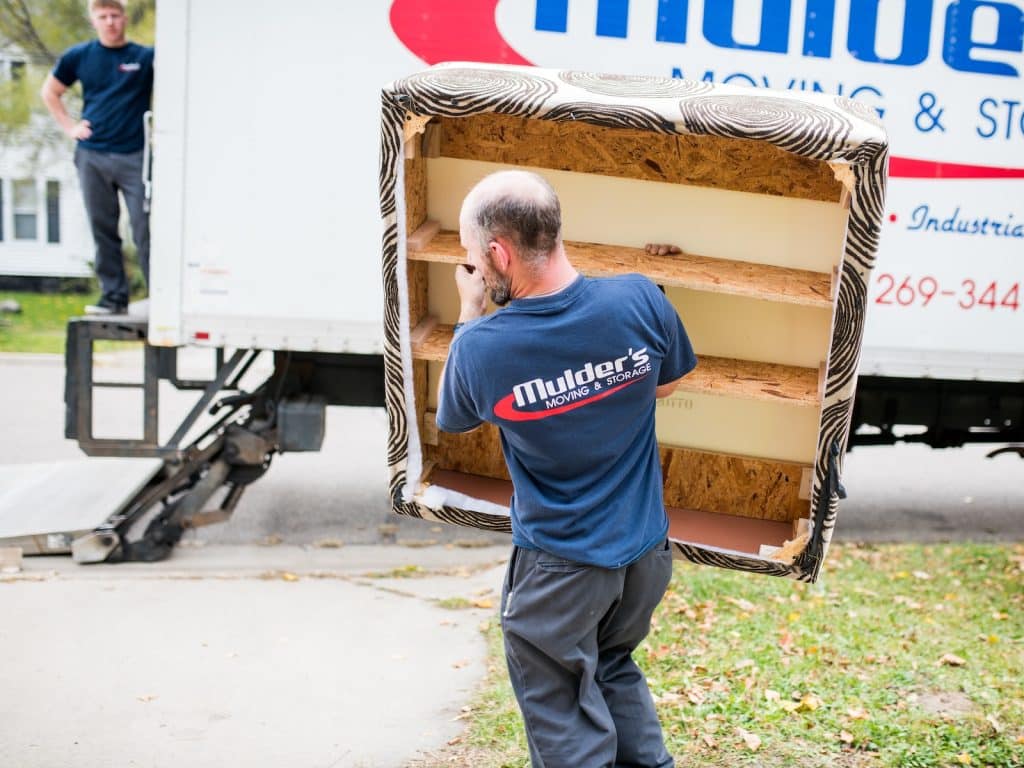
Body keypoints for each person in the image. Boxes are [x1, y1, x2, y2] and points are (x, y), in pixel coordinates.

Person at [436, 170, 697, 767]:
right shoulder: (641, 298)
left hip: (561, 568)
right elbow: (667, 384)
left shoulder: (481, 346)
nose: (474, 267)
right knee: (611, 665)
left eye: (473, 255)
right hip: (644, 553)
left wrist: (470, 308)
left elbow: (457, 419)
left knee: (561, 706)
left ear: (499, 253)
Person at [41, 0, 154, 315]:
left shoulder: (144, 57)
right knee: (103, 227)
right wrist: (70, 127)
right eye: (103, 16)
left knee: (144, 228)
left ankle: (159, 295)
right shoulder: (80, 56)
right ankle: (114, 297)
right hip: (93, 155)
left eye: (115, 15)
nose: (110, 22)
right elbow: (50, 92)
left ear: (124, 18)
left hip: (135, 155)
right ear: (94, 20)